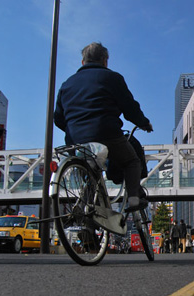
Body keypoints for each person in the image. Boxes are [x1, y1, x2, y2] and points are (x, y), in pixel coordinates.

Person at [54, 42, 153, 212]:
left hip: (75, 140)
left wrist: (78, 129)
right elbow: (130, 108)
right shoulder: (112, 78)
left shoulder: (66, 85)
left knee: (89, 171)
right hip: (106, 133)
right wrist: (144, 123)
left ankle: (86, 208)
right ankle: (135, 198)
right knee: (131, 160)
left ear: (82, 62)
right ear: (105, 61)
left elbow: (58, 119)